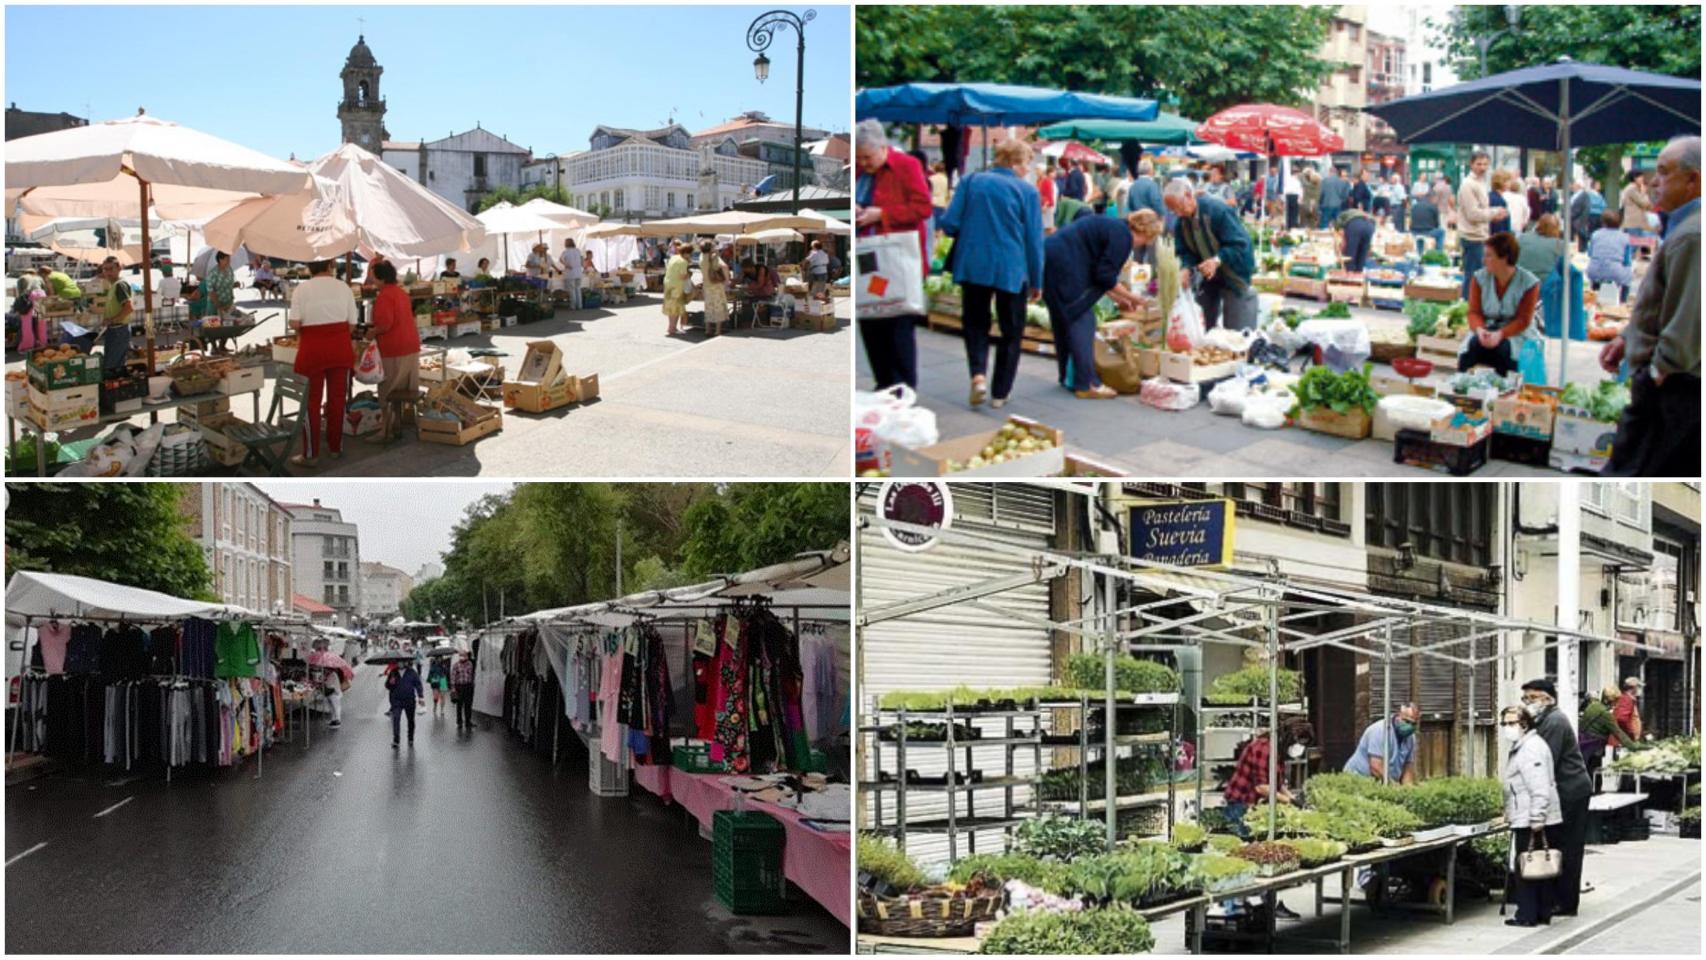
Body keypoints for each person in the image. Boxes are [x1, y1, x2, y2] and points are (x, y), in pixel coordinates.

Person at [1602, 135, 1700, 476]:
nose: (1655, 182)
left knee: (1628, 472)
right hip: (1673, 385)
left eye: (1664, 172)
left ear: (1694, 179)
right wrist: (1628, 337)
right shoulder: (1686, 229)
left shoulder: (1693, 235)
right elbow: (1665, 304)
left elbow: (1690, 319)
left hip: (1674, 389)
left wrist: (1657, 371)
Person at [938, 138, 1044, 409]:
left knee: (975, 323)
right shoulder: (1027, 192)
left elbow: (949, 223)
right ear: (1017, 162)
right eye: (1027, 163)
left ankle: (978, 375)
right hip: (1012, 267)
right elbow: (1034, 240)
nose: (1027, 169)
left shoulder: (971, 182)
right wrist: (1037, 279)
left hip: (973, 264)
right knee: (1011, 330)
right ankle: (1000, 393)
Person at [855, 118, 930, 390]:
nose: (864, 163)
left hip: (896, 261)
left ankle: (902, 388)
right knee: (872, 325)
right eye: (860, 157)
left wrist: (882, 214)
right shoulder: (859, 171)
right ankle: (883, 383)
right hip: (867, 257)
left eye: (868, 157)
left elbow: (923, 208)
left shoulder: (907, 166)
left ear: (883, 148)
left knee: (898, 328)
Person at [1043, 212, 1148, 400]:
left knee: (1063, 317)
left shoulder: (1111, 225)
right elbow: (1105, 276)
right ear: (1144, 233)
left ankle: (1068, 377)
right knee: (1082, 316)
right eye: (1147, 240)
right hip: (1067, 266)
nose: (1143, 244)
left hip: (1051, 257)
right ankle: (1087, 383)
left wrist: (1119, 298)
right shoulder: (1122, 237)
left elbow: (1098, 272)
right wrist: (1132, 297)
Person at [1520, 678, 1592, 916]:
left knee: (1567, 847)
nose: (1528, 703)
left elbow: (1543, 760)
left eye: (1533, 697)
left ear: (1548, 699)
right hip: (1563, 791)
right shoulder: (1544, 720)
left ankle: (1565, 902)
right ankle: (1556, 897)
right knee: (1558, 843)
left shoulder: (1554, 721)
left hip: (1570, 792)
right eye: (1525, 698)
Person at [286, 259, 358, 466]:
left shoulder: (301, 289)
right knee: (337, 401)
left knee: (311, 403)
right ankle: (335, 448)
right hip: (340, 349)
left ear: (310, 268)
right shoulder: (343, 287)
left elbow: (295, 322)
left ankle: (310, 454)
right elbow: (352, 324)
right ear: (330, 267)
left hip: (312, 351)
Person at [1500, 704, 1563, 928]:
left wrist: (1536, 818)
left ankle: (1527, 915)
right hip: (1530, 815)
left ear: (1524, 724)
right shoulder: (1525, 746)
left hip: (1532, 818)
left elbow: (1539, 787)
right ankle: (1541, 912)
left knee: (1527, 868)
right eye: (1504, 723)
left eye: (1511, 723)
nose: (1507, 728)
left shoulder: (1530, 749)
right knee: (1538, 867)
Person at [1165, 178, 1257, 330]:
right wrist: (1186, 268)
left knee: (1237, 331)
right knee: (1202, 324)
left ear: (1189, 195)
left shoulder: (1217, 210)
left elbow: (1240, 244)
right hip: (1208, 276)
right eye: (1173, 211)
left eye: (1179, 207)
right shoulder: (1181, 222)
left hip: (1234, 271)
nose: (1178, 213)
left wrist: (1217, 260)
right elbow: (1183, 251)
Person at [1459, 232, 1539, 375]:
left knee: (1505, 350)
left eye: (1489, 255)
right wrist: (1480, 330)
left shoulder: (1529, 283)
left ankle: (1505, 390)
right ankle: (1461, 387)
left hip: (1517, 331)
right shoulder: (1479, 278)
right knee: (1471, 347)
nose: (1484, 260)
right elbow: (1474, 312)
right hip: (1487, 327)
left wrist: (1501, 334)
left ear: (1504, 257)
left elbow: (1523, 319)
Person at [367, 260, 421, 444]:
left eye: (373, 276)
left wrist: (371, 331)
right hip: (411, 345)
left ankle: (385, 431)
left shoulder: (384, 296)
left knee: (387, 390)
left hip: (394, 348)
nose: (372, 279)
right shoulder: (401, 293)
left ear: (381, 278)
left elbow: (385, 325)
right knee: (400, 390)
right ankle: (396, 424)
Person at [1458, 152, 1509, 298]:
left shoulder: (1480, 183)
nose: (1482, 167)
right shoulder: (1468, 184)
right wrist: (1494, 213)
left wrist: (1493, 215)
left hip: (1480, 235)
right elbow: (1472, 214)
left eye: (1485, 164)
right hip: (1472, 236)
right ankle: (1468, 307)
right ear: (1471, 164)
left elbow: (1480, 212)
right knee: (1473, 276)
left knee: (1478, 276)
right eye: (1479, 164)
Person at [1344, 702, 1419, 783]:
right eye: (1407, 721)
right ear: (1398, 716)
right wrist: (1393, 787)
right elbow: (1376, 767)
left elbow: (1408, 768)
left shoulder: (1410, 738)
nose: (1410, 726)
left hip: (1384, 781)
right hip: (1358, 778)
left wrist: (1406, 790)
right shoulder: (1380, 730)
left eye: (1413, 724)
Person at [1578, 686, 1635, 785]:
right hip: (1595, 747)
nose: (1617, 704)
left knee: (1586, 771)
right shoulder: (1605, 714)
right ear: (1609, 700)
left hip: (1583, 744)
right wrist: (1635, 747)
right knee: (1595, 773)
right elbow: (1619, 733)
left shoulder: (1592, 706)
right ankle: (1595, 793)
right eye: (1616, 700)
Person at [1586, 211, 1634, 297]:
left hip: (1594, 270)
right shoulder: (1625, 237)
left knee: (1596, 271)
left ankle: (1594, 292)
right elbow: (1627, 261)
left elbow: (1590, 253)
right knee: (1628, 276)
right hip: (1615, 272)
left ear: (1603, 223)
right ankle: (1623, 300)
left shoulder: (1595, 234)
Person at [385, 659, 425, 748]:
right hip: (396, 700)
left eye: (402, 662)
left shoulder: (411, 672)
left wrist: (420, 696)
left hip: (409, 700)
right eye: (398, 662)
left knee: (411, 720)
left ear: (405, 662)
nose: (400, 663)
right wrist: (390, 683)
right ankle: (396, 740)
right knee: (396, 719)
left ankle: (410, 737)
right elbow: (387, 686)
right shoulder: (393, 672)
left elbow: (418, 684)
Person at [1517, 213, 1568, 279]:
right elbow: (1564, 270)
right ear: (1557, 228)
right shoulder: (1559, 245)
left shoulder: (1522, 238)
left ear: (1538, 224)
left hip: (1521, 282)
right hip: (1545, 285)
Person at [699, 239, 730, 337]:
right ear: (711, 247)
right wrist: (727, 280)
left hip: (706, 285)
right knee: (718, 306)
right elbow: (725, 266)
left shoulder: (701, 257)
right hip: (716, 285)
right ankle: (717, 330)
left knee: (708, 307)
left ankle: (708, 329)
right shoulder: (714, 257)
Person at [1333, 206, 1378, 272]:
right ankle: (1359, 271)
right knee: (1363, 251)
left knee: (1351, 251)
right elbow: (1374, 223)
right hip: (1370, 226)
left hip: (1355, 225)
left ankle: (1349, 273)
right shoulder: (1363, 213)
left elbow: (1338, 227)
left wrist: (1341, 238)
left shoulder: (1342, 215)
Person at [661, 241, 690, 336]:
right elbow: (682, 276)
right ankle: (672, 328)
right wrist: (689, 275)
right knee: (676, 307)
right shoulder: (683, 261)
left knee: (670, 306)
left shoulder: (673, 257)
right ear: (687, 253)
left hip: (668, 284)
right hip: (677, 286)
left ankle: (671, 326)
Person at [1409, 185, 1444, 255]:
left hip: (1414, 231)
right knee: (1441, 232)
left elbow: (1411, 219)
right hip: (1427, 231)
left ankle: (1420, 252)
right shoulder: (1433, 207)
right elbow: (1437, 224)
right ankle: (1439, 253)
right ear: (1432, 198)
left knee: (1420, 237)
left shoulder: (1415, 206)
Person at [1495, 169, 1529, 234]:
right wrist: (1524, 222)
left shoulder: (1503, 196)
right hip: (1517, 224)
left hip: (1505, 225)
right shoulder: (1522, 198)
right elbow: (1527, 211)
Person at [1620, 172, 1653, 236]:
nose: (1642, 179)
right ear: (1635, 178)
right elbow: (1643, 203)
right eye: (1640, 177)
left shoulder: (1636, 189)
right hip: (1634, 223)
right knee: (1635, 244)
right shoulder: (1632, 188)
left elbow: (1649, 206)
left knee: (1639, 243)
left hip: (1639, 223)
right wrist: (1644, 193)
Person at [1612, 677, 1644, 743]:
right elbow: (1621, 719)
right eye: (1639, 687)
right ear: (1633, 688)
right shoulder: (1626, 699)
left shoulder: (1630, 700)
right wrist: (1631, 733)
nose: (1640, 690)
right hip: (1626, 739)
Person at [451, 649, 477, 731]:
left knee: (468, 705)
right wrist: (453, 688)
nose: (462, 657)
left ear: (467, 656)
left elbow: (472, 675)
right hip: (459, 686)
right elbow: (453, 677)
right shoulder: (456, 665)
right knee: (459, 705)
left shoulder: (470, 664)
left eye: (464, 655)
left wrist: (473, 684)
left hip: (468, 686)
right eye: (461, 655)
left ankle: (468, 721)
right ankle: (459, 722)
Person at [1298, 163, 1323, 229]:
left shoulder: (1307, 186)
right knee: (1313, 224)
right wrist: (1313, 173)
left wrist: (1306, 172)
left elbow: (1301, 177)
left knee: (1303, 224)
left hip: (1305, 205)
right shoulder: (1319, 186)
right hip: (1315, 206)